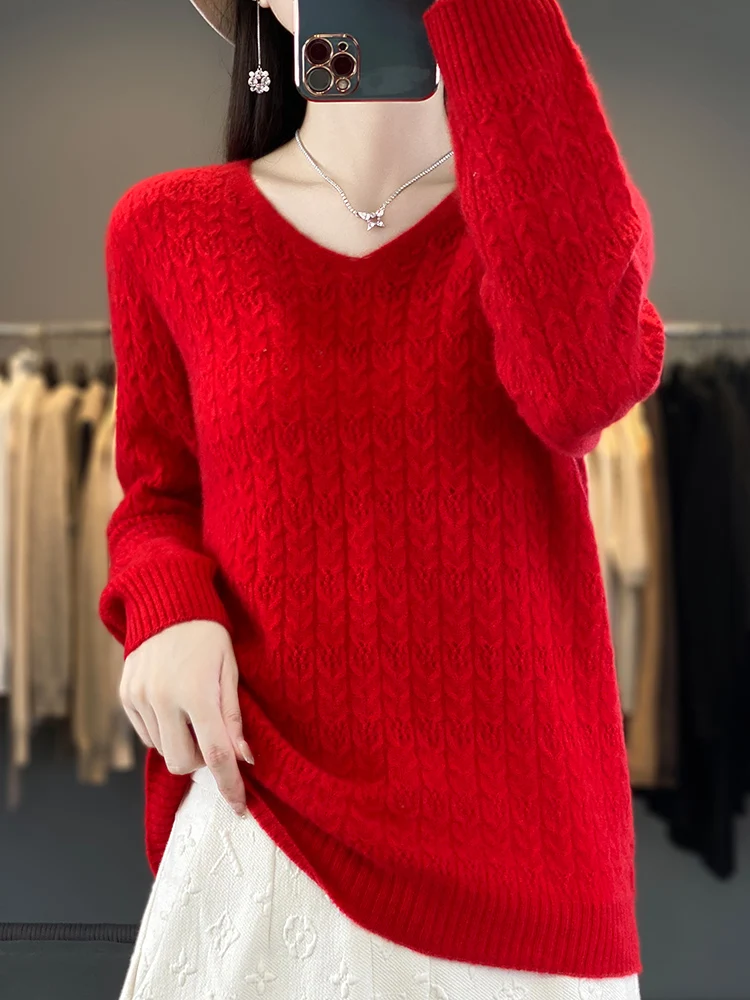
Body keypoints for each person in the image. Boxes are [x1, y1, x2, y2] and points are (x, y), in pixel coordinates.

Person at [101, 0, 665, 997]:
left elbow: (582, 385)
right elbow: (157, 493)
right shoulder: (165, 229)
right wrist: (167, 609)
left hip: (526, 875)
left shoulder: (549, 221)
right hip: (265, 832)